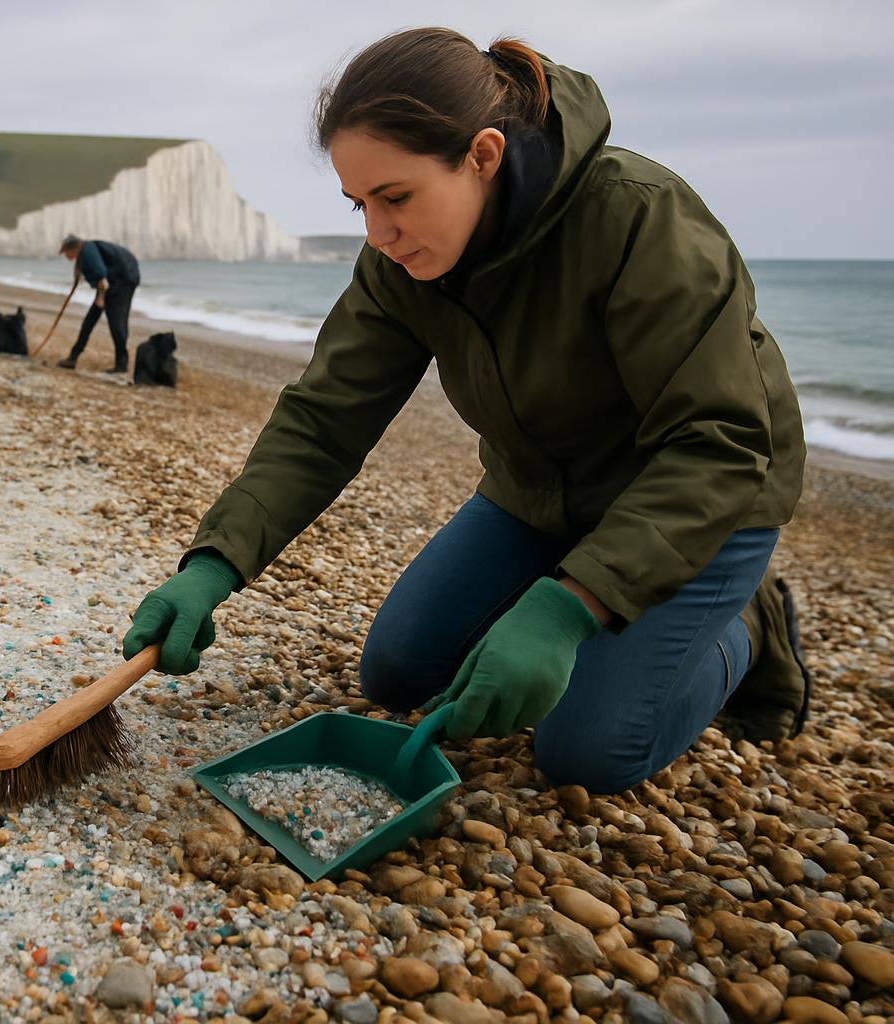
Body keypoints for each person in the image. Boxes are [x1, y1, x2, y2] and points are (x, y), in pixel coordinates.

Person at [120, 28, 811, 795]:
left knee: (584, 752)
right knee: (396, 671)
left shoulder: (637, 219)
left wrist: (569, 609)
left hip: (709, 501)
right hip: (538, 494)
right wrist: (215, 563)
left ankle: (751, 626)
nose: (378, 234)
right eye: (358, 204)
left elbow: (722, 441)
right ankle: (584, 590)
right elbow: (325, 417)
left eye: (396, 197)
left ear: (482, 155)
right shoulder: (401, 260)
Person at [57, 235, 140, 372]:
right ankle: (73, 357)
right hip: (115, 282)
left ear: (73, 248)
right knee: (89, 322)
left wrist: (101, 298)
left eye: (66, 252)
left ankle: (121, 365)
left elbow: (102, 277)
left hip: (122, 281)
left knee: (116, 323)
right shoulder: (85, 252)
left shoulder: (88, 251)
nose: (66, 256)